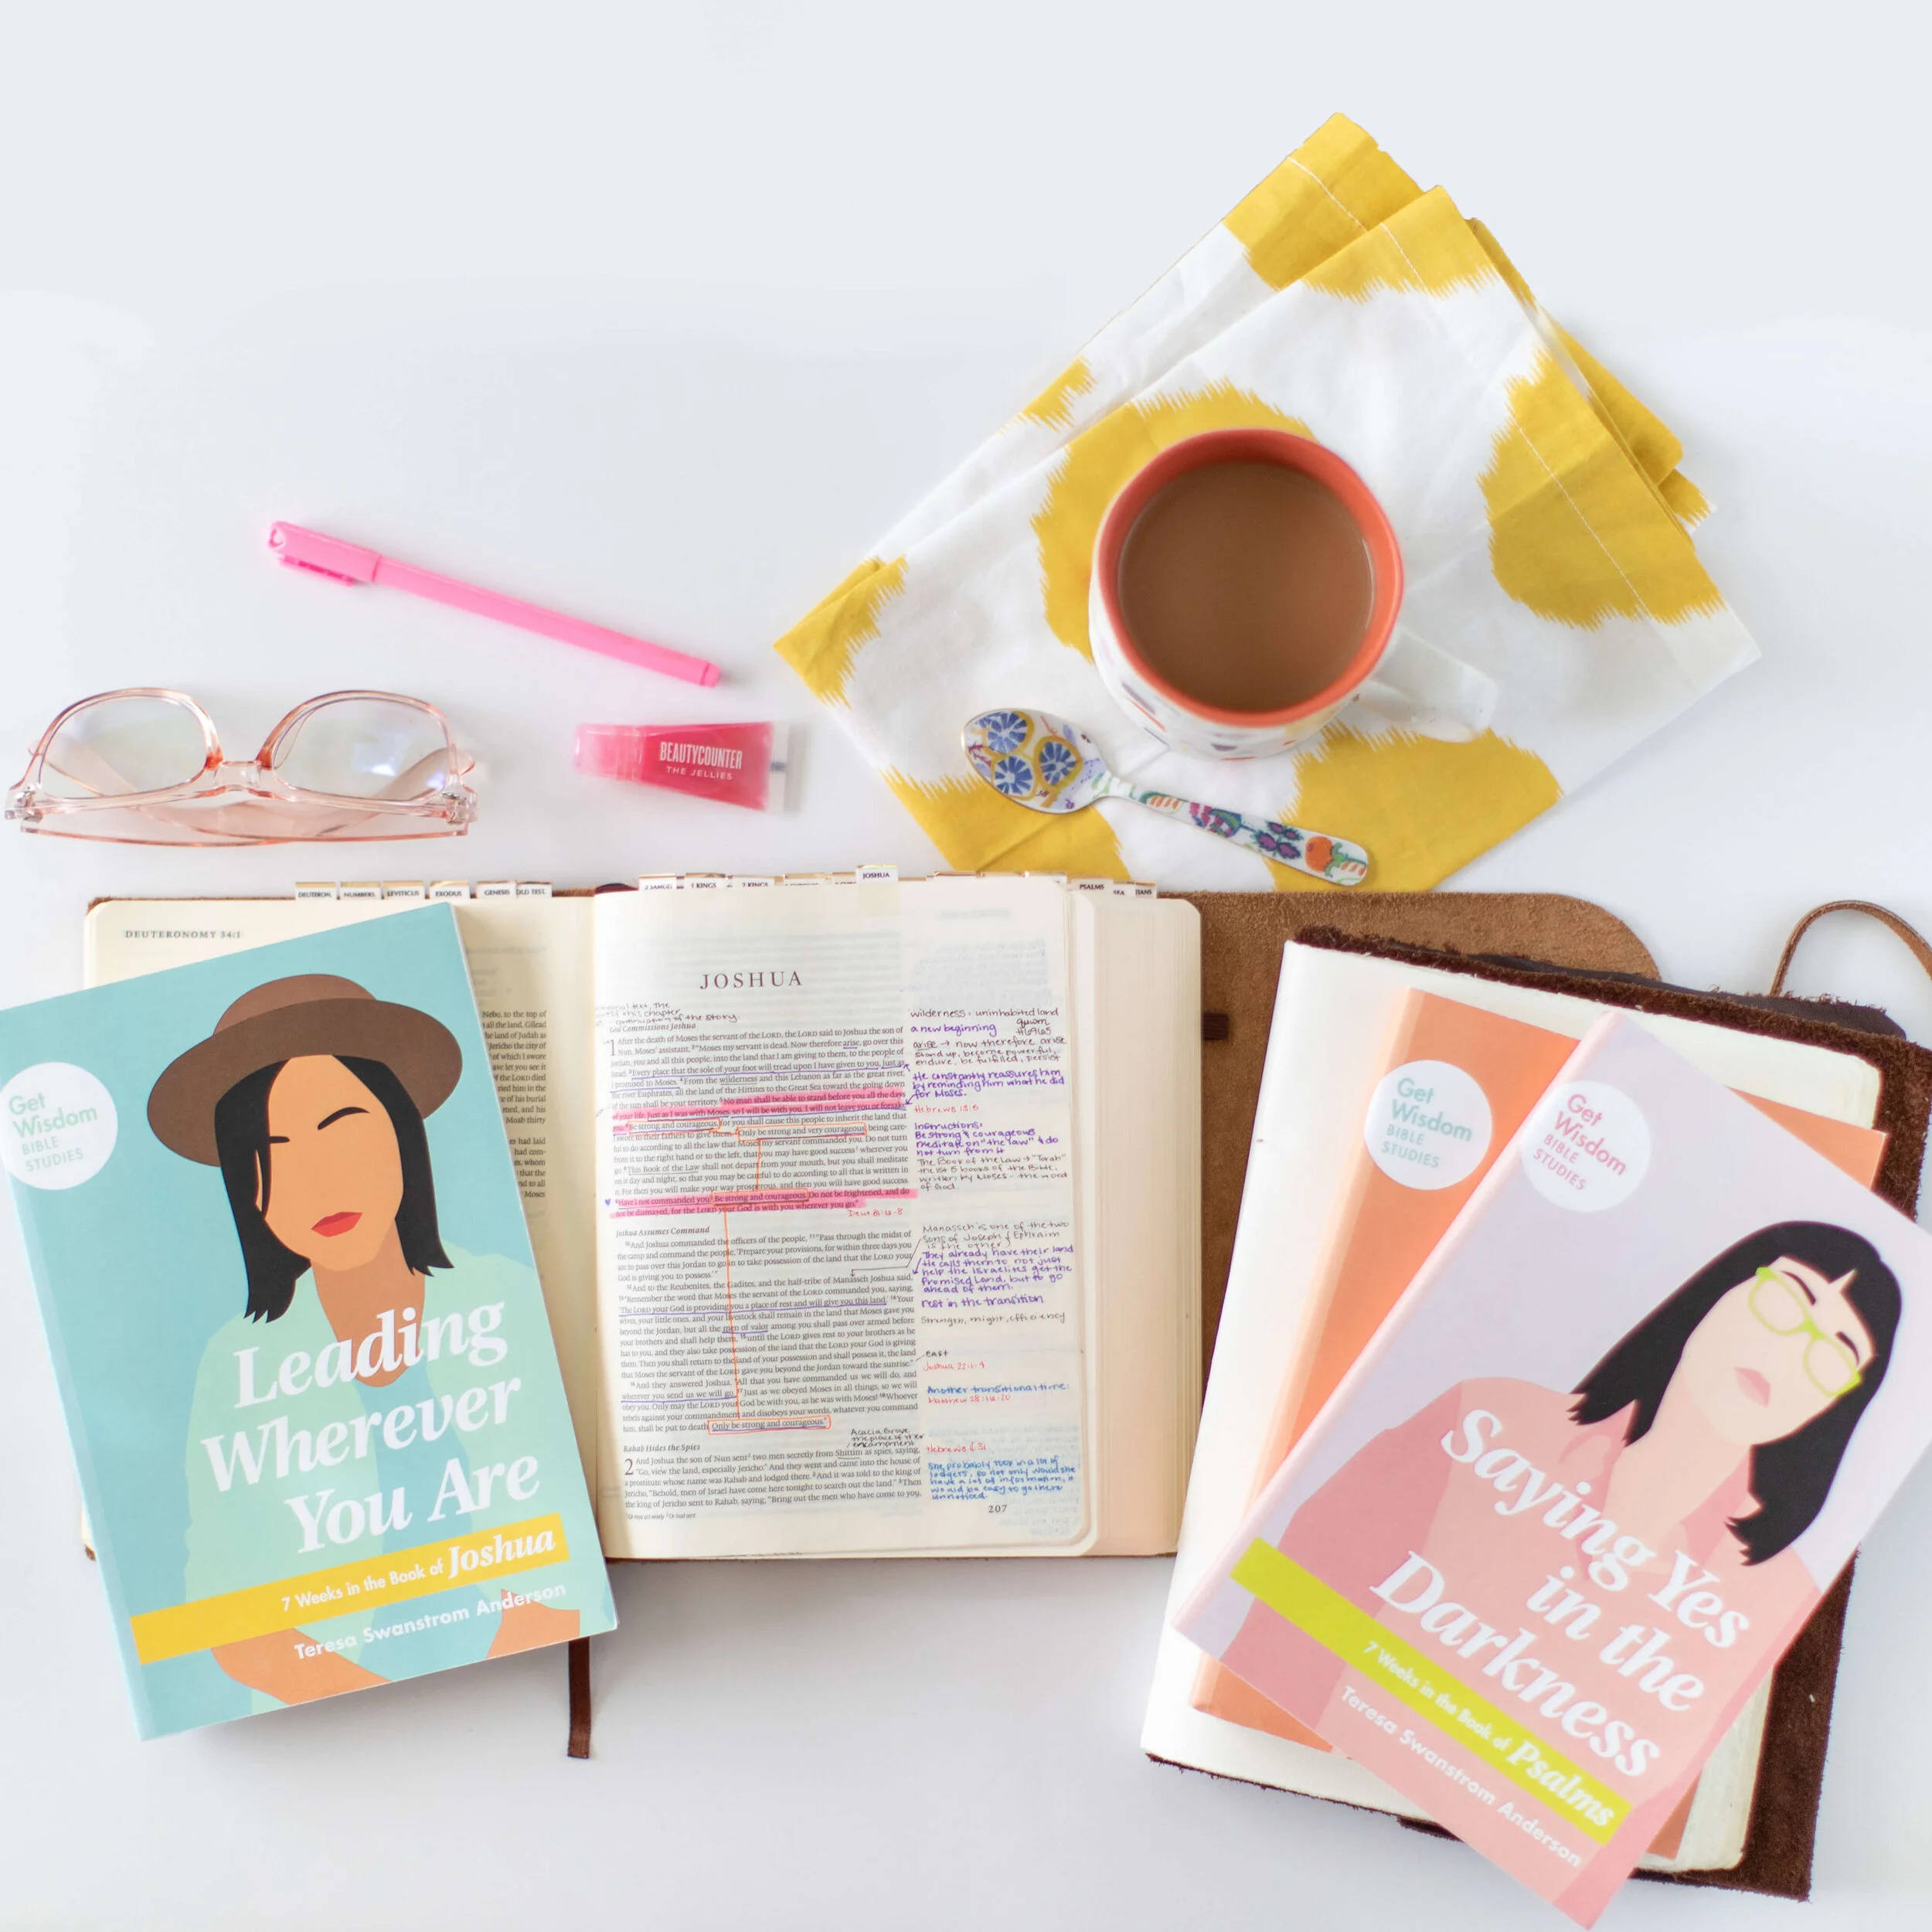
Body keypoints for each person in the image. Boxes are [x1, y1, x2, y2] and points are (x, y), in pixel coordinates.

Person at [1216, 1221, 1900, 1859]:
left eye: (1832, 1356)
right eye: (1786, 1301)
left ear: (1836, 1407)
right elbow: (1288, 1609)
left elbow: (1617, 1822)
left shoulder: (1776, 1594)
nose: (1789, 1353)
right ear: (1719, 1290)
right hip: (1301, 1773)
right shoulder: (1487, 1419)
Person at [149, 973, 577, 1710]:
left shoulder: (505, 1298)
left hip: (512, 1694)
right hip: (331, 1723)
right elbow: (227, 1614)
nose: (318, 1179)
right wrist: (385, 1707)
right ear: (253, 1191)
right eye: (276, 1150)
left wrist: (473, 1701)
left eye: (342, 1127)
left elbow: (564, 1562)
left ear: (403, 1136)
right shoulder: (236, 1364)